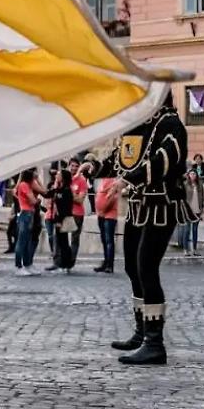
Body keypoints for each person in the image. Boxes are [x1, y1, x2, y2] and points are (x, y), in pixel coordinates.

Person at [85, 93, 194, 366]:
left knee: (146, 267)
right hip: (138, 206)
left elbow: (164, 160)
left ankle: (155, 344)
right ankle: (142, 332)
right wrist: (94, 167)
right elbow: (121, 159)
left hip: (162, 205)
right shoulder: (138, 127)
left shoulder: (170, 124)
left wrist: (128, 180)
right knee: (132, 267)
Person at [13, 168, 46, 276]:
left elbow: (42, 192)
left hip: (29, 214)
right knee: (21, 241)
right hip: (25, 214)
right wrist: (37, 200)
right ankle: (18, 266)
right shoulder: (24, 185)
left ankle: (27, 264)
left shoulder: (27, 184)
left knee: (27, 241)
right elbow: (32, 200)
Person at [46, 168, 75, 273]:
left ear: (63, 177)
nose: (56, 176)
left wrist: (59, 221)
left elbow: (65, 208)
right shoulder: (58, 189)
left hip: (62, 219)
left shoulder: (66, 190)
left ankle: (66, 264)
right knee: (60, 241)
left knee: (63, 242)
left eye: (58, 174)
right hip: (57, 218)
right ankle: (64, 263)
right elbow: (47, 194)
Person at [93, 176, 120, 273]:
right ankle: (105, 262)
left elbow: (112, 198)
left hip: (109, 215)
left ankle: (109, 265)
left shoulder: (112, 181)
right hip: (101, 215)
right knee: (104, 240)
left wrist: (103, 210)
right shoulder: (102, 181)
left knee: (109, 241)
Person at [181, 170, 204, 256]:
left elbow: (202, 197)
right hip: (188, 210)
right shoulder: (185, 184)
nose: (193, 175)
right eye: (191, 174)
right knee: (187, 230)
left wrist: (202, 209)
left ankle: (194, 249)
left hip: (197, 210)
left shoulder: (199, 185)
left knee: (195, 230)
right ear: (188, 175)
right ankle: (185, 249)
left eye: (194, 174)